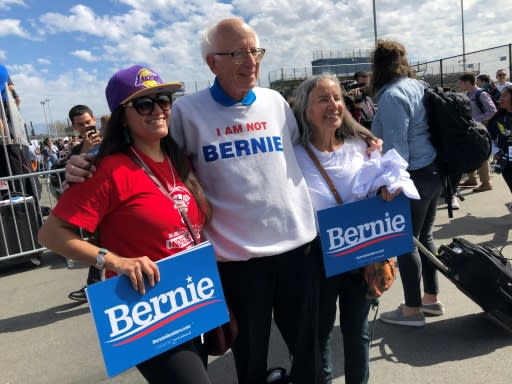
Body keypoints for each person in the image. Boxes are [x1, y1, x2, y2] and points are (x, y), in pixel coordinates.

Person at [65, 17, 324, 384]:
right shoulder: (187, 112)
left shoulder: (276, 102)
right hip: (237, 260)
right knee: (251, 361)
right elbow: (150, 152)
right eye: (237, 53)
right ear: (211, 62)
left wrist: (362, 141)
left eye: (254, 51)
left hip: (298, 250)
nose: (249, 60)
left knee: (309, 358)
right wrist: (89, 159)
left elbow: (309, 149)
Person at [38, 64, 212, 384]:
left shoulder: (180, 159)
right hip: (145, 308)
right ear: (122, 116)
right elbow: (51, 233)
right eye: (144, 104)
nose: (158, 109)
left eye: (163, 100)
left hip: (192, 297)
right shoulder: (105, 170)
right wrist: (114, 260)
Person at [292, 73, 393, 384]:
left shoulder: (361, 145)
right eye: (323, 99)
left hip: (361, 253)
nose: (333, 105)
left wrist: (389, 187)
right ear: (304, 108)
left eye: (336, 98)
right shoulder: (291, 152)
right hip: (316, 256)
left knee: (358, 332)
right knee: (319, 333)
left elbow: (386, 184)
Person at [371, 39, 444, 327]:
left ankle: (412, 310)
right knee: (424, 237)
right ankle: (430, 299)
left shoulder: (391, 96)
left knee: (405, 243)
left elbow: (397, 149)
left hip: (412, 176)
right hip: (434, 171)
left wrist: (390, 184)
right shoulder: (418, 86)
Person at [65, 105, 104, 302]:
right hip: (96, 206)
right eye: (80, 125)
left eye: (88, 122)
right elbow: (79, 177)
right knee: (98, 247)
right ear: (74, 127)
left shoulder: (111, 138)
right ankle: (94, 286)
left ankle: (94, 286)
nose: (86, 127)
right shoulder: (76, 150)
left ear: (94, 120)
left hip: (120, 200)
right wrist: (87, 150)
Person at [458, 72, 496, 193]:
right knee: (470, 153)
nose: (459, 85)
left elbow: (492, 111)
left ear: (467, 82)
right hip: (471, 130)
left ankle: (486, 182)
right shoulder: (467, 94)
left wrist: (475, 120)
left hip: (480, 130)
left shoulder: (481, 93)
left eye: (461, 82)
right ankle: (472, 179)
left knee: (482, 154)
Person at [487, 85, 512, 193]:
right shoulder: (497, 117)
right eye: (501, 95)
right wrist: (495, 151)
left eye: (505, 95)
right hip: (506, 161)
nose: (500, 98)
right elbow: (488, 138)